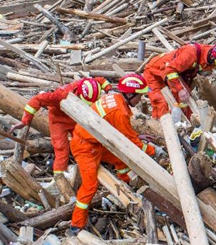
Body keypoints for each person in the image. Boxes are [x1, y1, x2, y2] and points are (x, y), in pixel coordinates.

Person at [69, 73, 164, 234]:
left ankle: (127, 184)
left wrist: (137, 136)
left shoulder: (115, 100)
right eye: (139, 96)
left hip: (96, 142)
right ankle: (76, 225)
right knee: (90, 186)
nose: (140, 99)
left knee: (120, 160)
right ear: (130, 94)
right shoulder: (119, 111)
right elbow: (131, 144)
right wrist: (155, 151)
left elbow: (121, 131)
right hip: (85, 147)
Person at [10, 77, 112, 174]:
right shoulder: (61, 95)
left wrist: (109, 90)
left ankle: (92, 165)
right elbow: (37, 100)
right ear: (79, 94)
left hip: (76, 118)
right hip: (59, 120)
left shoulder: (90, 83)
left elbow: (101, 80)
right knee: (61, 148)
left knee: (86, 142)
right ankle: (60, 176)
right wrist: (24, 121)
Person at [142, 42, 216, 119]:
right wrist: (180, 89)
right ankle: (160, 129)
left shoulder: (205, 56)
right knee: (160, 103)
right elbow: (170, 70)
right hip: (154, 73)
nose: (213, 68)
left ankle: (186, 125)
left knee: (184, 101)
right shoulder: (190, 54)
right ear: (213, 58)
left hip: (171, 76)